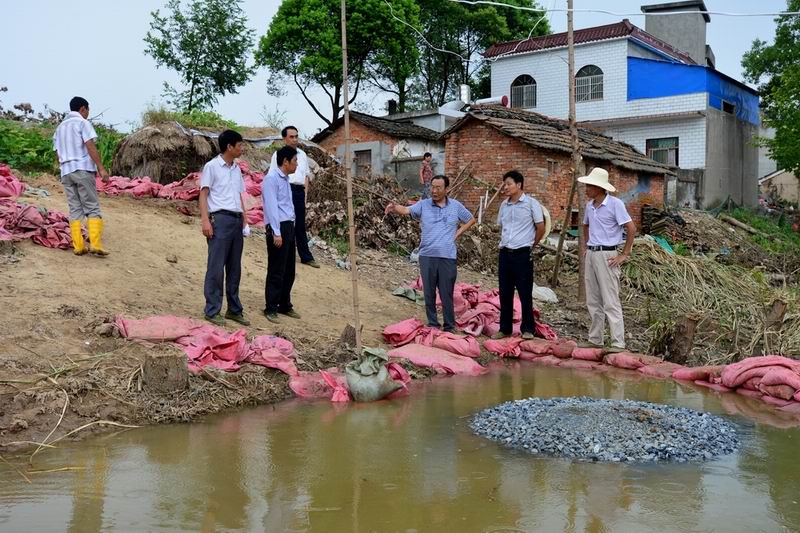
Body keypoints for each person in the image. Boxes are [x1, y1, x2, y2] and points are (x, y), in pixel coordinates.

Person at [386, 175, 475, 332]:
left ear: (446, 189)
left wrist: (457, 233)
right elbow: (406, 210)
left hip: (447, 256)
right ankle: (433, 323)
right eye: (432, 187)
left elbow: (471, 219)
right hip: (427, 255)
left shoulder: (455, 206)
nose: (434, 191)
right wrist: (395, 207)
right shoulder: (424, 205)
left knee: (446, 292)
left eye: (438, 188)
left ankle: (449, 326)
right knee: (429, 292)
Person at [578, 167, 636, 351]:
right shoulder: (590, 206)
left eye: (590, 185)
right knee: (593, 299)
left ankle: (618, 342)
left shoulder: (615, 204)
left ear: (599, 187)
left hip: (608, 254)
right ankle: (595, 339)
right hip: (592, 253)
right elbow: (585, 225)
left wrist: (624, 254)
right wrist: (587, 246)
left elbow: (631, 228)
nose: (587, 188)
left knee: (610, 299)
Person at [199, 129, 250, 327]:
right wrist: (205, 221)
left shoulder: (236, 169)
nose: (242, 148)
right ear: (229, 147)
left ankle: (234, 310)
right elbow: (203, 194)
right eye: (240, 145)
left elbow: (239, 196)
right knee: (216, 266)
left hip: (236, 220)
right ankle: (212, 310)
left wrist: (245, 220)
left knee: (235, 267)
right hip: (220, 219)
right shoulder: (212, 167)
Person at [53, 96, 110, 256]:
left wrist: (64, 167)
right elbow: (90, 146)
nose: (88, 113)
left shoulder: (59, 128)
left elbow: (57, 153)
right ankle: (95, 244)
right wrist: (101, 168)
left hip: (66, 172)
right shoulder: (82, 123)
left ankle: (78, 246)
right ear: (83, 109)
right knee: (92, 207)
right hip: (83, 169)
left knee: (75, 209)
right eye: (88, 110)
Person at [492, 170, 546, 340]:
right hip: (505, 253)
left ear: (519, 184)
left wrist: (532, 245)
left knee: (524, 292)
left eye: (509, 184)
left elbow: (540, 227)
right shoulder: (504, 205)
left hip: (523, 253)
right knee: (505, 292)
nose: (505, 187)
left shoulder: (531, 204)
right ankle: (505, 328)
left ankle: (528, 328)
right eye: (504, 184)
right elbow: (501, 226)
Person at [269, 126, 319, 268]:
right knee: (284, 222)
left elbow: (306, 176)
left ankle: (305, 256)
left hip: (298, 191)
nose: (295, 139)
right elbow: (273, 176)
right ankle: (282, 251)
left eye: (296, 136)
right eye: (291, 137)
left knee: (300, 224)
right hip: (284, 189)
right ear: (284, 138)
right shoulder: (278, 155)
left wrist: (305, 194)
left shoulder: (302, 155)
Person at [263, 145, 300, 324]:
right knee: (276, 269)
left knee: (289, 269)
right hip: (278, 227)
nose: (297, 164)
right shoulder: (271, 179)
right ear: (285, 161)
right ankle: (271, 307)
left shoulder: (285, 179)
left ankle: (284, 304)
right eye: (295, 160)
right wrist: (276, 232)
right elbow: (271, 207)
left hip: (288, 226)